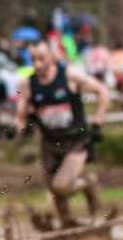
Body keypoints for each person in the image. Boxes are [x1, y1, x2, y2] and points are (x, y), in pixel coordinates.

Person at [15, 40, 111, 228]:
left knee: (62, 186)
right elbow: (20, 114)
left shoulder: (69, 76)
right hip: (50, 144)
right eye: (33, 59)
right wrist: (21, 128)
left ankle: (88, 182)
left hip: (76, 141)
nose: (37, 64)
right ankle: (69, 226)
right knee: (54, 191)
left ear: (51, 56)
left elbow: (103, 91)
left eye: (41, 58)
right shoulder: (28, 84)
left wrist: (98, 122)